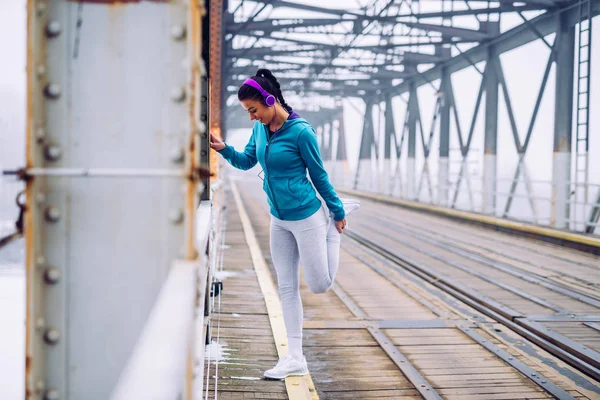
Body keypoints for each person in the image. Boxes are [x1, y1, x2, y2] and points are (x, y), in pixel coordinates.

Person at [210, 68, 360, 380]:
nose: (251, 117)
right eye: (247, 112)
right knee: (287, 287)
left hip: (307, 216)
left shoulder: (302, 132)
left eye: (253, 110)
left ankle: (332, 226)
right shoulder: (261, 130)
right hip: (278, 219)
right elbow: (247, 161)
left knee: (319, 285)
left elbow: (319, 175)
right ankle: (295, 358)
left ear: (269, 99)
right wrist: (223, 148)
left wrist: (336, 209)